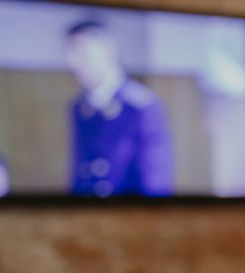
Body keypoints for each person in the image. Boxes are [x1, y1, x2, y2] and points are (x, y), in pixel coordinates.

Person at [65, 19, 174, 198]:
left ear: (109, 51)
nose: (73, 63)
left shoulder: (141, 106)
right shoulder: (79, 107)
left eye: (82, 52)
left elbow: (154, 184)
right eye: (70, 53)